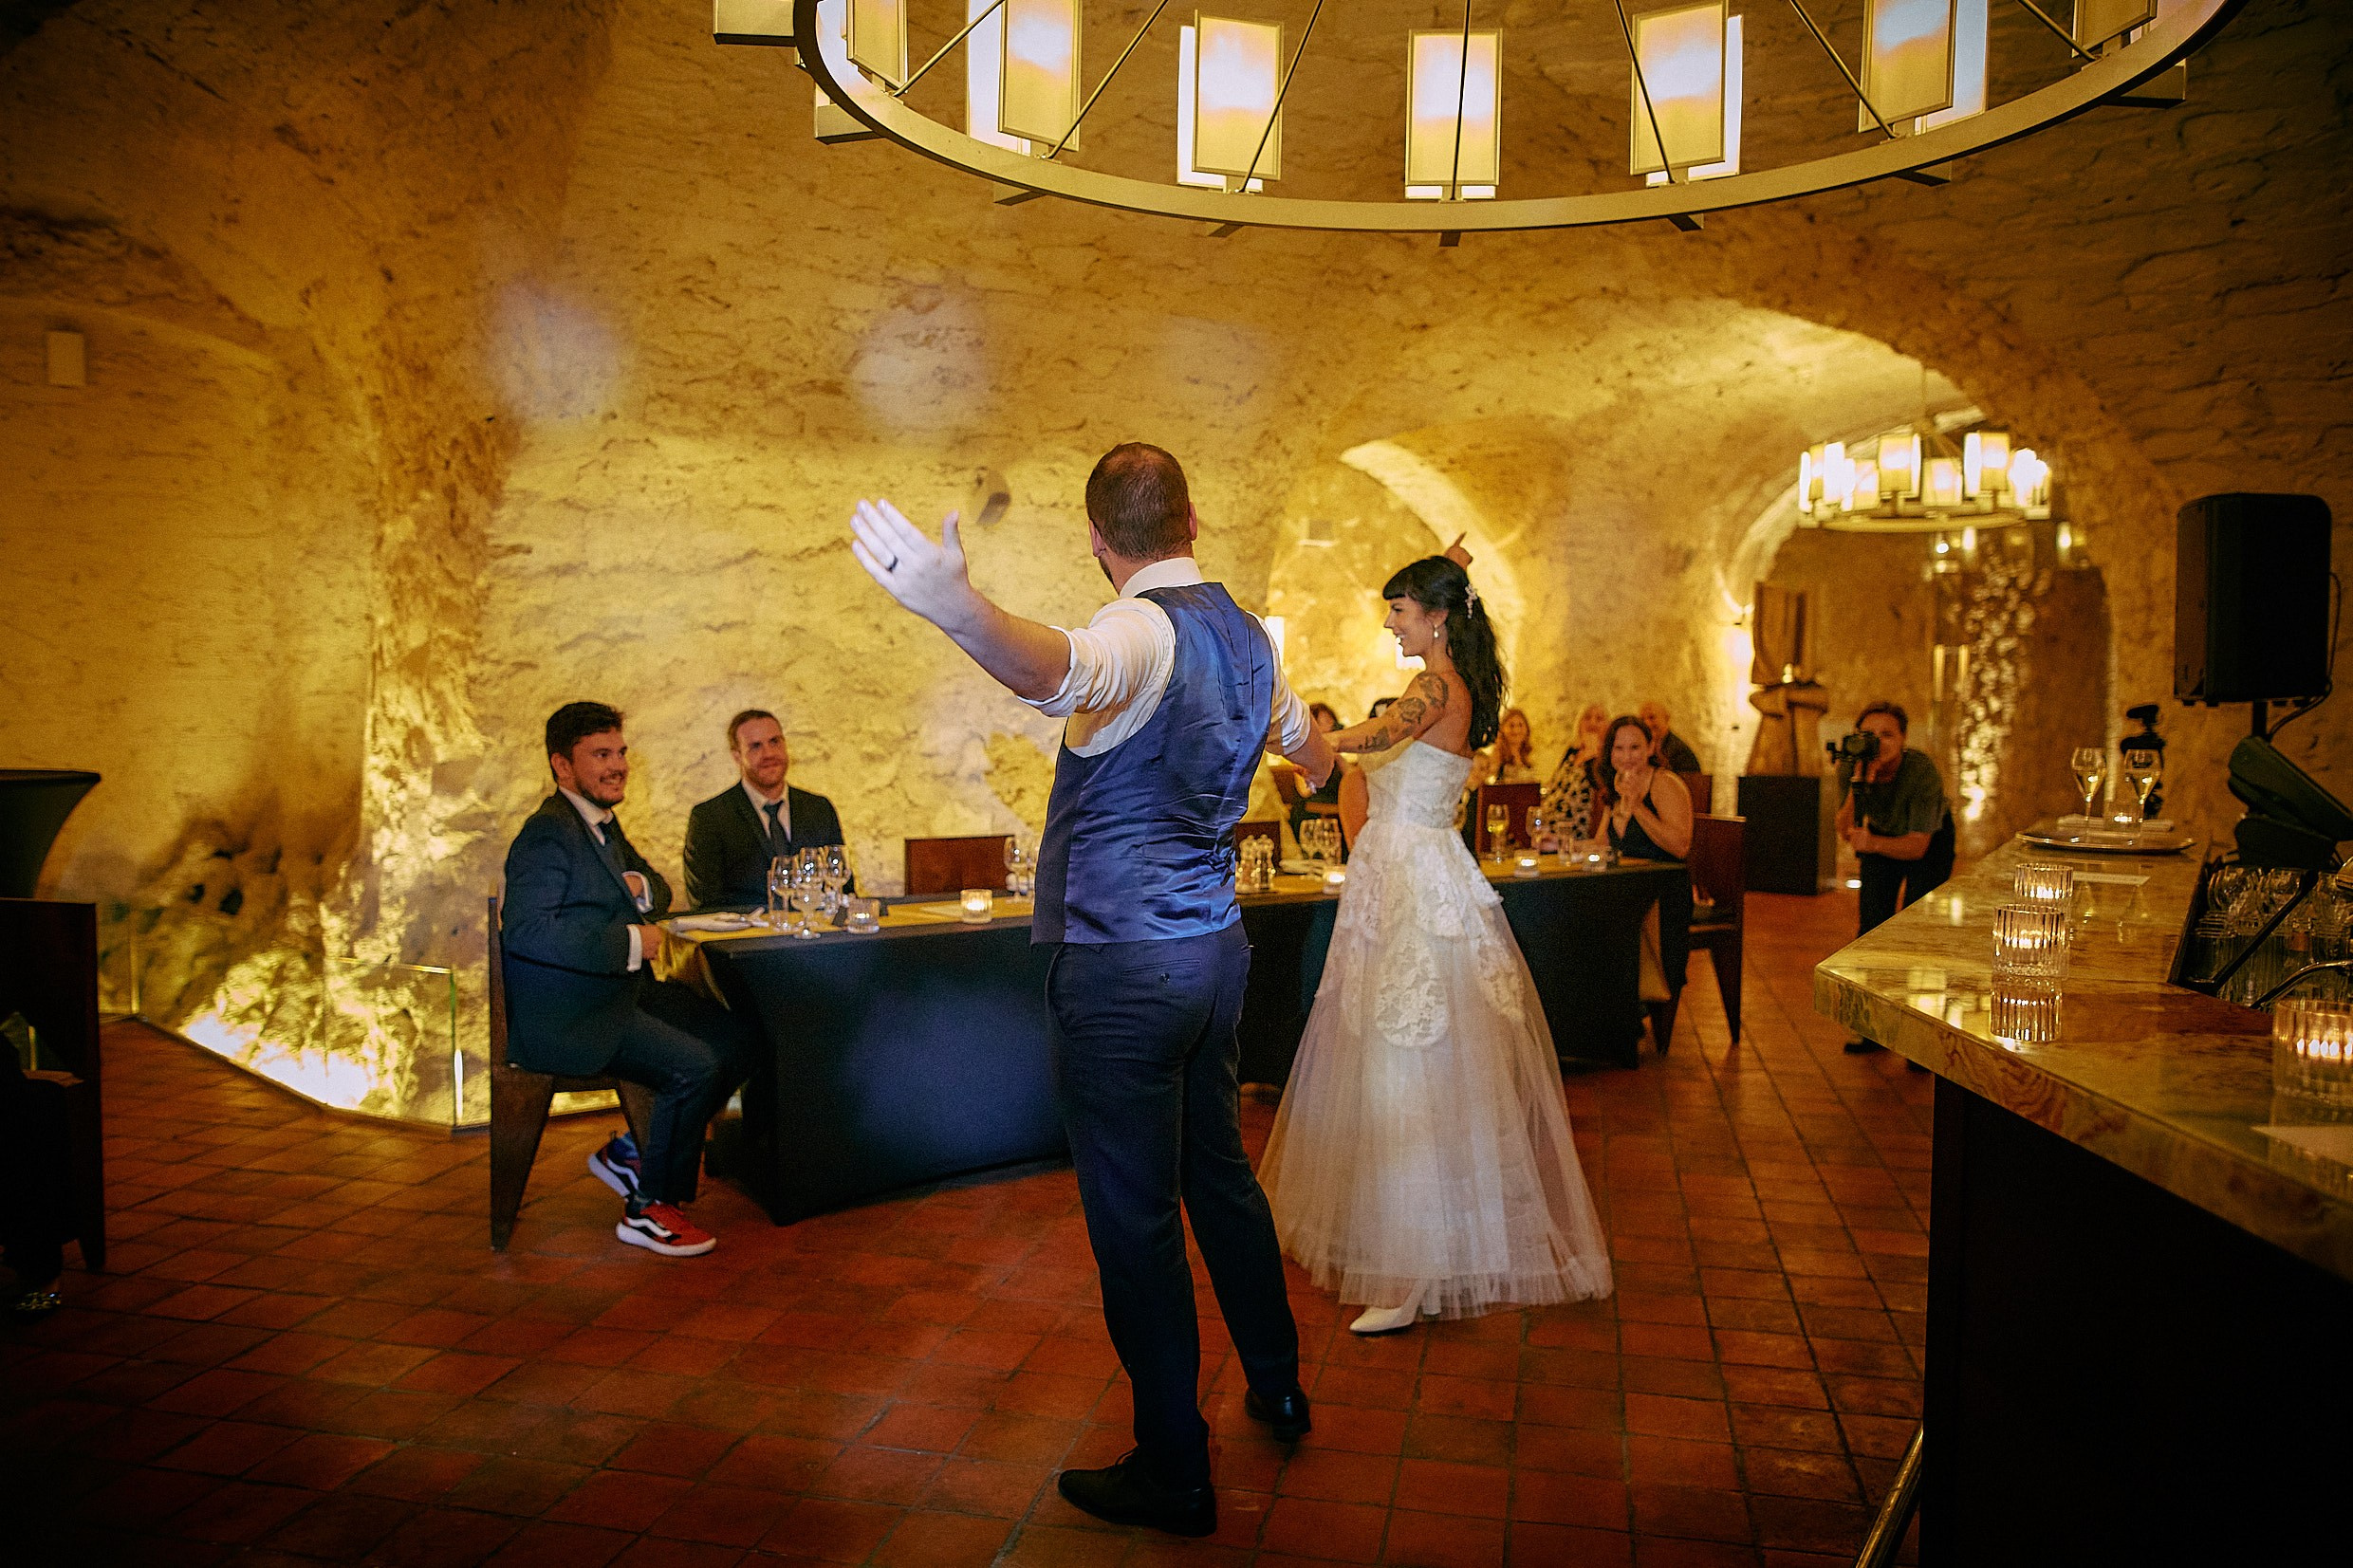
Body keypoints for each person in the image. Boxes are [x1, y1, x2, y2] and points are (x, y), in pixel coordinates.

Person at [847, 443, 1337, 1539]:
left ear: (1096, 539)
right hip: (1214, 955)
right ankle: (1277, 1385)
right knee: (1219, 1178)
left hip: (1124, 972)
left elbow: (1058, 668)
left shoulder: (1137, 630)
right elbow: (1308, 752)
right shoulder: (1251, 638)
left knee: (1136, 1220)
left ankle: (1174, 1470)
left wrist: (957, 608)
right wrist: (1335, 757)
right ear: (1192, 520)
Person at [1258, 555, 1613, 1338]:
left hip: (1418, 890)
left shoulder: (1438, 690)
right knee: (1388, 1072)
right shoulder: (1439, 683)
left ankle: (1413, 1270)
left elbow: (1376, 733)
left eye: (1400, 610)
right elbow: (1378, 751)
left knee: (1409, 1074)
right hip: (1395, 879)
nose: (1390, 623)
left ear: (1438, 618)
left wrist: (1290, 731)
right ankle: (1415, 1251)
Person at [500, 702, 758, 1258]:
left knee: (743, 1038)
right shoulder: (547, 835)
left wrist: (637, 888)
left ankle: (632, 1155)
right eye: (600, 755)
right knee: (695, 1065)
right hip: (569, 1015)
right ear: (562, 766)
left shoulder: (599, 823)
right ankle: (648, 1209)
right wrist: (632, 942)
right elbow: (526, 931)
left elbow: (657, 890)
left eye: (619, 752)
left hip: (616, 994)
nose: (618, 766)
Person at [1835, 700, 1956, 1053]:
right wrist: (1859, 783)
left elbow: (1918, 846)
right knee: (1872, 931)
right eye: (1869, 734)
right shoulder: (1852, 764)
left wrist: (1871, 842)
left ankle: (1919, 1036)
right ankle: (1873, 1028)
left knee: (1918, 934)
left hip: (1929, 842)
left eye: (1887, 734)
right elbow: (1843, 828)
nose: (1878, 742)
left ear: (1903, 739)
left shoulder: (1921, 772)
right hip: (1881, 837)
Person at [683, 708, 851, 909]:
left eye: (774, 742)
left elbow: (842, 888)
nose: (769, 754)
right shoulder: (710, 818)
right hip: (747, 928)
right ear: (737, 756)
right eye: (755, 746)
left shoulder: (819, 809)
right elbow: (705, 902)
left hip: (814, 927)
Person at [1597, 713, 1695, 1049]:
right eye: (1619, 748)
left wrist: (1637, 807)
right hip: (1626, 890)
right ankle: (1603, 1021)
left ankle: (1626, 1016)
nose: (1627, 757)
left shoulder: (1665, 784)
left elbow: (1680, 846)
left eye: (1635, 747)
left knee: (1611, 922)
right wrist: (1559, 843)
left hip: (1663, 893)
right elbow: (1602, 845)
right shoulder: (1616, 787)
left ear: (1651, 748)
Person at [1275, 701, 1348, 850]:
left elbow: (1351, 779)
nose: (1329, 726)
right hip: (1310, 817)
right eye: (1323, 722)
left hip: (1337, 817)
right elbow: (1305, 791)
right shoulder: (1302, 756)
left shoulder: (1336, 756)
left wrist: (1336, 755)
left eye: (1330, 721)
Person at [1540, 702, 1610, 843]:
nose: (1592, 723)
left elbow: (1602, 789)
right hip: (1548, 822)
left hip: (1576, 828)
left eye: (1599, 719)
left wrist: (1592, 756)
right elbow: (1554, 785)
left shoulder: (1605, 757)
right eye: (1587, 717)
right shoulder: (1572, 752)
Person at [1473, 705, 1540, 787]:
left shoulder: (1528, 757)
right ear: (1502, 729)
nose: (1516, 730)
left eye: (1520, 725)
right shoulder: (1496, 757)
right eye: (1511, 725)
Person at [1639, 699, 1704, 775]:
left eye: (1652, 717)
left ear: (1666, 718)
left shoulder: (1679, 750)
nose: (1647, 723)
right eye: (1642, 719)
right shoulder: (1644, 748)